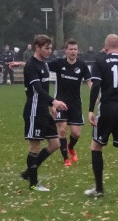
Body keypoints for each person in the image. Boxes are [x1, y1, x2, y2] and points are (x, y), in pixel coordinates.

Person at [85, 34, 118, 201]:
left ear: (105, 46)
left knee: (96, 147)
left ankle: (99, 189)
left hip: (107, 108)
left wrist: (90, 109)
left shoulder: (100, 61)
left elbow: (95, 87)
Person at [19, 35, 68, 192]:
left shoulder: (44, 65)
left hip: (44, 110)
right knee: (35, 146)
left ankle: (28, 172)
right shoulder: (31, 66)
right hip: (34, 110)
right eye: (46, 48)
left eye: (50, 48)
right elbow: (37, 90)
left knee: (55, 144)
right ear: (37, 47)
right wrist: (54, 101)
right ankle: (33, 183)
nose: (49, 51)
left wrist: (50, 106)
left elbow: (44, 89)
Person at [49, 39, 92, 167]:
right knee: (61, 130)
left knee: (76, 133)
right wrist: (23, 64)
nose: (73, 51)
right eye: (71, 49)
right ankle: (65, 158)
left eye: (75, 49)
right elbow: (40, 66)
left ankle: (71, 147)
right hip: (60, 102)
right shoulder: (58, 63)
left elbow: (89, 81)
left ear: (77, 51)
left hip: (75, 103)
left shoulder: (82, 66)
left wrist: (94, 94)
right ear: (66, 50)